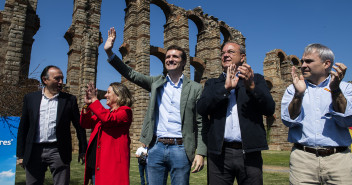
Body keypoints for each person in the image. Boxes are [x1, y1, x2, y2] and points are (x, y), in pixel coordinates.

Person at [104, 27, 206, 185]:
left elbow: (201, 122)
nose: (170, 59)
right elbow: (131, 74)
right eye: (168, 57)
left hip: (181, 148)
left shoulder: (195, 88)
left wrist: (200, 153)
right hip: (156, 147)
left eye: (175, 57)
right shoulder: (156, 82)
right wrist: (110, 53)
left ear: (184, 62)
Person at [197, 41, 275, 185]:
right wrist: (225, 88)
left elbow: (269, 109)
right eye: (223, 53)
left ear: (242, 57)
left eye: (231, 52)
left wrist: (252, 87)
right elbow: (201, 108)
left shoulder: (256, 79)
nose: (225, 55)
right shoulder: (212, 83)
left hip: (250, 153)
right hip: (219, 154)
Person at [281, 43, 352, 184]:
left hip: (338, 160)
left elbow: (347, 120)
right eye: (302, 61)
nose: (303, 65)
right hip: (303, 159)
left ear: (326, 64)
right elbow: (288, 120)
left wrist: (335, 90)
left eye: (309, 61)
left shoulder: (346, 88)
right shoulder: (293, 88)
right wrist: (298, 95)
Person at [16, 65, 87, 185]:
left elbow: (79, 127)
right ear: (45, 80)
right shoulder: (30, 98)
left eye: (62, 79)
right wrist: (20, 154)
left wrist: (83, 150)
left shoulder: (70, 100)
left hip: (59, 151)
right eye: (57, 79)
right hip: (34, 150)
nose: (61, 82)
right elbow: (23, 127)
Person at [80, 81, 133, 185]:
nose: (105, 95)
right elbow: (85, 123)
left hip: (111, 166)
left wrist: (95, 100)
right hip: (97, 164)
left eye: (108, 92)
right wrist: (87, 105)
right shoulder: (105, 112)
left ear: (118, 96)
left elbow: (108, 119)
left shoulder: (125, 112)